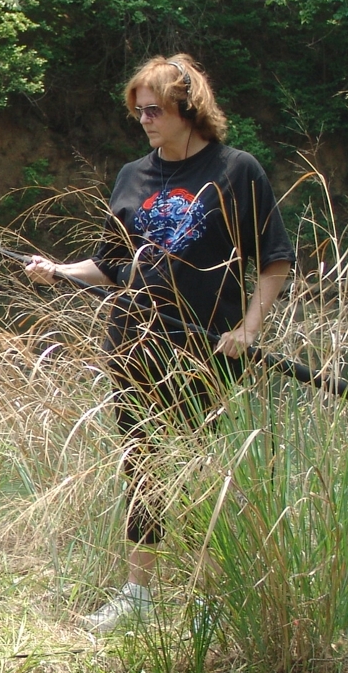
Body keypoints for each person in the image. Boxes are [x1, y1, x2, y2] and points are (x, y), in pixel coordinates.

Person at [24, 54, 294, 632]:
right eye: (138, 110)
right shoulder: (131, 176)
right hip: (132, 343)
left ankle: (204, 598)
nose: (144, 118)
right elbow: (110, 263)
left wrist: (249, 327)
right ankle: (138, 597)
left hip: (204, 348)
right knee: (141, 466)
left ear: (187, 109)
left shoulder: (236, 170)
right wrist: (59, 271)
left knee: (197, 471)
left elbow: (274, 259)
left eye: (155, 109)